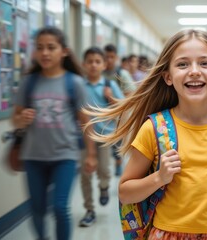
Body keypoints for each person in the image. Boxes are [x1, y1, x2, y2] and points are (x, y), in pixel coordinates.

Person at [85, 29, 207, 239]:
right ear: (168, 77)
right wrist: (159, 178)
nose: (194, 71)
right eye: (182, 64)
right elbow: (125, 192)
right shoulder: (154, 129)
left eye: (205, 63)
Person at [11, 26, 97, 240]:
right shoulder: (28, 82)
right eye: (40, 48)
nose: (45, 53)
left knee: (60, 207)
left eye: (51, 47)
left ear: (64, 51)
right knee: (37, 209)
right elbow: (15, 118)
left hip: (64, 155)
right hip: (33, 156)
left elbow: (85, 121)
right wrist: (21, 120)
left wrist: (91, 154)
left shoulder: (73, 83)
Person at [78, 47, 125, 227]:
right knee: (85, 174)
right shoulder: (80, 85)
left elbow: (121, 106)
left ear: (104, 65)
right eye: (89, 61)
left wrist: (111, 97)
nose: (93, 65)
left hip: (104, 135)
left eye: (97, 61)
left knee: (104, 170)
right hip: (84, 137)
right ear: (84, 64)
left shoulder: (108, 84)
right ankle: (89, 209)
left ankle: (104, 187)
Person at [103, 44, 134, 176]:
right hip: (103, 117)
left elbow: (129, 97)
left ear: (116, 57)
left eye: (111, 57)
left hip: (118, 118)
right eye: (106, 57)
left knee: (116, 143)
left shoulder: (122, 74)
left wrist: (112, 98)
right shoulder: (100, 73)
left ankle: (118, 162)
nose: (109, 60)